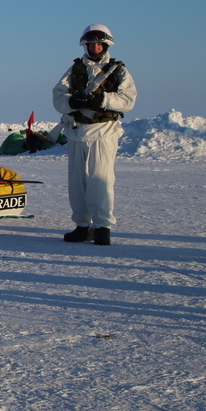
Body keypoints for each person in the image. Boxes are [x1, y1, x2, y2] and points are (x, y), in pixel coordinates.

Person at [52, 24, 137, 246]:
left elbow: (128, 99)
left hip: (104, 131)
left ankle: (102, 228)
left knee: (101, 181)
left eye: (99, 43)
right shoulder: (75, 69)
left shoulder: (117, 70)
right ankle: (82, 226)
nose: (96, 47)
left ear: (106, 45)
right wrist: (72, 101)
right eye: (92, 44)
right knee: (77, 183)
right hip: (77, 130)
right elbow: (58, 96)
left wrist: (102, 100)